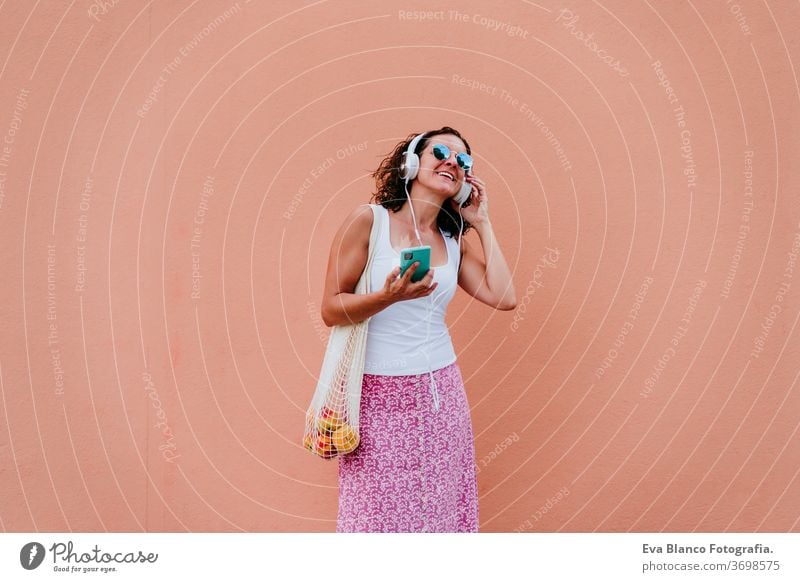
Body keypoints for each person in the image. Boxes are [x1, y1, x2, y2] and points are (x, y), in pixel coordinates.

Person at [320, 126, 516, 532]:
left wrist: (482, 223)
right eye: (441, 152)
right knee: (374, 518)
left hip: (440, 396)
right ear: (411, 162)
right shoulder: (368, 222)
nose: (452, 162)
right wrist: (388, 297)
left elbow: (504, 296)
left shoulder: (452, 240)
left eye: (463, 160)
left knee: (437, 513)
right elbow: (331, 308)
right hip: (374, 398)